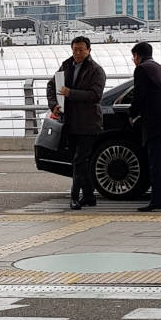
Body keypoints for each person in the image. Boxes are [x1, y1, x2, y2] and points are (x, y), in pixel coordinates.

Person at [47, 36, 106, 210]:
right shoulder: (66, 65)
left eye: (81, 50)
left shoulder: (96, 70)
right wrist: (54, 106)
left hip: (88, 123)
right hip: (70, 122)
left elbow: (95, 95)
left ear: (89, 50)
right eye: (74, 50)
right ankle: (89, 196)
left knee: (80, 160)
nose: (77, 53)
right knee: (78, 161)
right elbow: (51, 86)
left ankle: (74, 197)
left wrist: (70, 93)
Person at [128, 41, 161, 212]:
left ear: (137, 55)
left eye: (133, 57)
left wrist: (132, 113)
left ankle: (157, 201)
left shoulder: (142, 69)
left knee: (156, 163)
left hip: (156, 122)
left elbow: (139, 95)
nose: (133, 60)